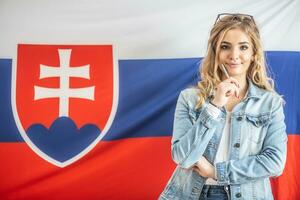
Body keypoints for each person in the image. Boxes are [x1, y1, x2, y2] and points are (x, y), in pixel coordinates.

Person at [159, 13, 287, 200]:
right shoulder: (189, 98)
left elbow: (275, 163)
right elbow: (183, 157)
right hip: (192, 194)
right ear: (216, 52)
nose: (234, 56)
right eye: (225, 47)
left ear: (253, 54)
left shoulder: (270, 103)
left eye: (243, 47)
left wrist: (216, 171)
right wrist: (214, 105)